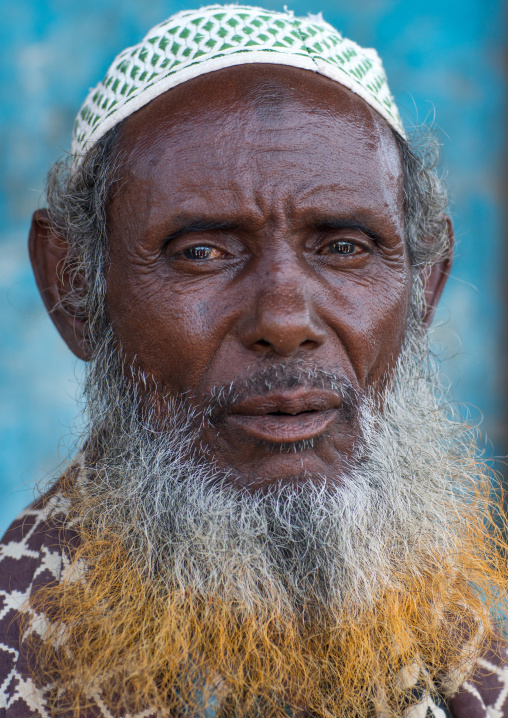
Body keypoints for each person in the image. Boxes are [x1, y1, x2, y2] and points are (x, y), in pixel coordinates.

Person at [0, 5, 507, 717]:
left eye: (344, 247)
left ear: (426, 284)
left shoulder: (459, 647)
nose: (284, 321)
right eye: (202, 251)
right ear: (75, 288)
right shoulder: (17, 655)